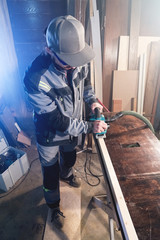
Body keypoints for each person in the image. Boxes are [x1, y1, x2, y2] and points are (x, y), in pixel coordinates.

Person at [23, 15, 108, 229]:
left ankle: (67, 173)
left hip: (72, 128)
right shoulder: (35, 79)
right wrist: (89, 127)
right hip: (50, 134)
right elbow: (56, 120)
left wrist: (92, 102)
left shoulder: (77, 58)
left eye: (76, 61)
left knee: (69, 157)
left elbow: (86, 83)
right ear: (49, 50)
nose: (73, 66)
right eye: (67, 62)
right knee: (50, 173)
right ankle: (53, 206)